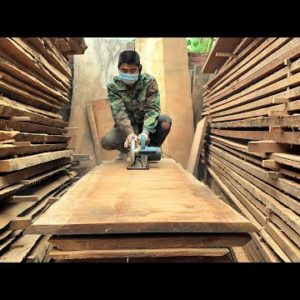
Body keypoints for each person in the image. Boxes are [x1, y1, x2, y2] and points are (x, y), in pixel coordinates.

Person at [101, 50, 172, 159]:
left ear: (139, 69)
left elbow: (153, 109)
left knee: (165, 122)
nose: (128, 74)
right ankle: (129, 151)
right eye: (124, 70)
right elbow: (119, 113)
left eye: (133, 70)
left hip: (146, 125)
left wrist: (146, 132)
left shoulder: (149, 82)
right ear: (118, 69)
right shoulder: (113, 86)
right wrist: (129, 133)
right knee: (106, 141)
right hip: (128, 125)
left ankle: (150, 151)